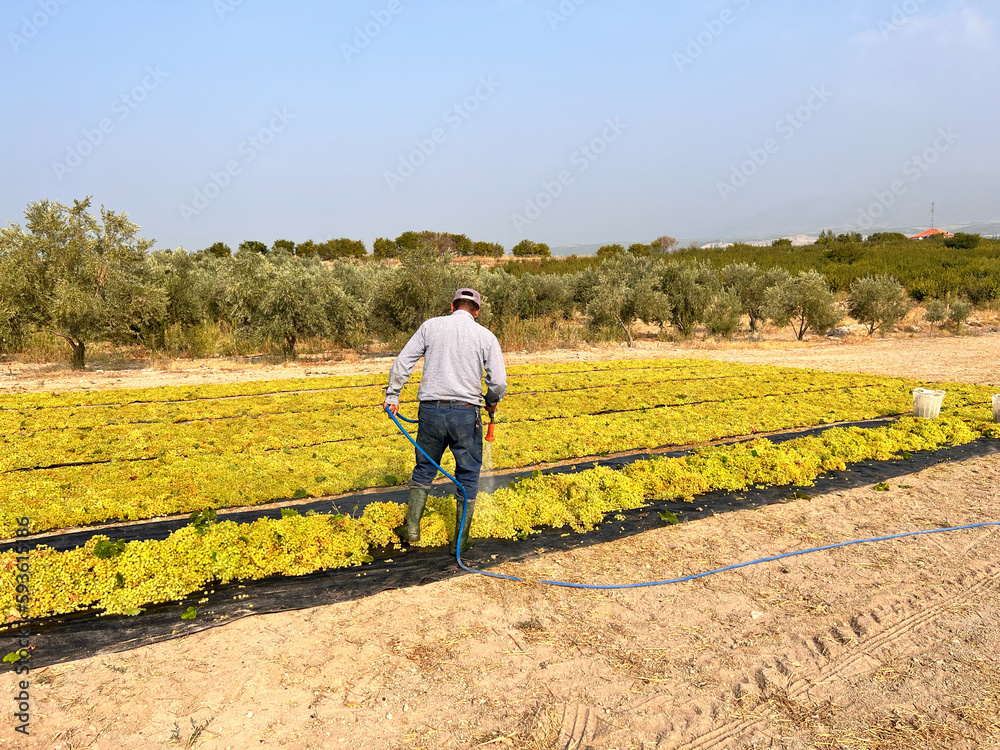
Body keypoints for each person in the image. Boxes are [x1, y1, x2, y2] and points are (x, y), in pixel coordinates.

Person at [383, 288, 507, 554]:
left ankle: (412, 529)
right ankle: (460, 541)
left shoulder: (431, 326)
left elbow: (404, 361)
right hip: (466, 414)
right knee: (468, 475)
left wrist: (393, 394)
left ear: (452, 306)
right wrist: (492, 400)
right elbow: (498, 381)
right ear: (477, 311)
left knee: (425, 468)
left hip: (430, 411)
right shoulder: (486, 336)